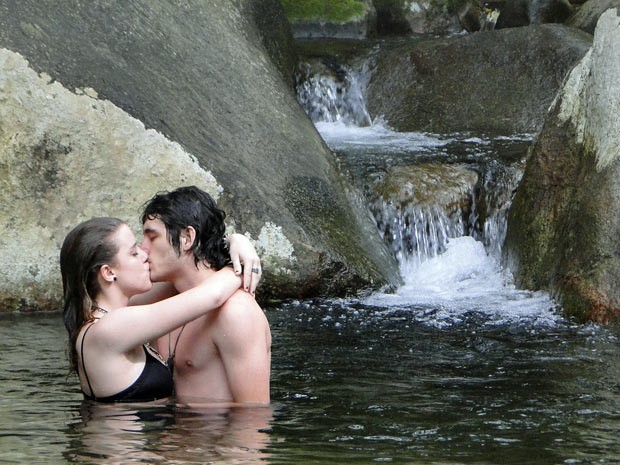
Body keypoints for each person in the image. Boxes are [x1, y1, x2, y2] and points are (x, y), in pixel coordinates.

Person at [60, 216, 259, 403]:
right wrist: (244, 264)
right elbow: (211, 295)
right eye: (133, 252)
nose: (145, 255)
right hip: (126, 440)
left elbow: (186, 276)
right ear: (109, 272)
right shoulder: (111, 327)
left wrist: (235, 240)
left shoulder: (108, 318)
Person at [139, 186, 271, 405]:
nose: (143, 250)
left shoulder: (236, 312)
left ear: (187, 238)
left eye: (152, 238)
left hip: (216, 439)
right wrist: (234, 240)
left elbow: (253, 418)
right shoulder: (167, 300)